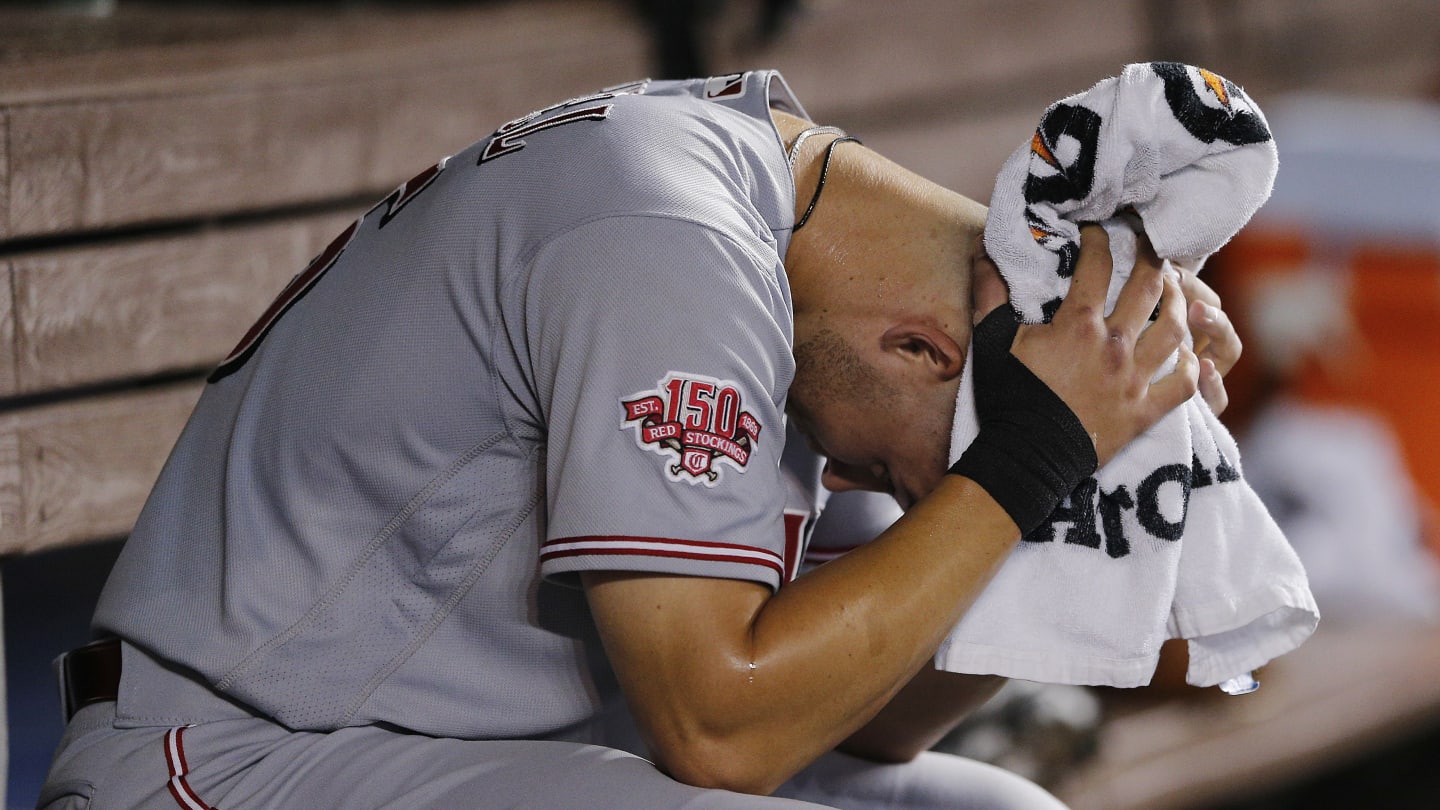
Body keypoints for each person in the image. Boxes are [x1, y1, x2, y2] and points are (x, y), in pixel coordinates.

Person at [39, 70, 1239, 809]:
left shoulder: (799, 257)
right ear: (924, 346)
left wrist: (1086, 507)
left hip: (433, 758)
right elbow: (723, 730)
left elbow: (864, 716)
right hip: (235, 763)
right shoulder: (670, 235)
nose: (905, 494)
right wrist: (1018, 473)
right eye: (908, 475)